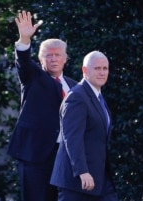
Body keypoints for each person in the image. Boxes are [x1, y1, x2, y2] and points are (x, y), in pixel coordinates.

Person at [7, 10, 77, 201]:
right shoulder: (34, 77)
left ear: (65, 59)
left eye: (57, 55)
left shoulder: (75, 86)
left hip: (65, 157)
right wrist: (24, 39)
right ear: (40, 59)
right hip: (35, 155)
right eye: (48, 55)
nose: (53, 59)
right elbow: (23, 62)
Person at [50, 50, 119, 201]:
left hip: (99, 179)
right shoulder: (77, 97)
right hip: (77, 181)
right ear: (85, 71)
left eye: (105, 68)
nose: (102, 73)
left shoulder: (97, 97)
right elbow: (72, 138)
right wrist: (82, 171)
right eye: (97, 68)